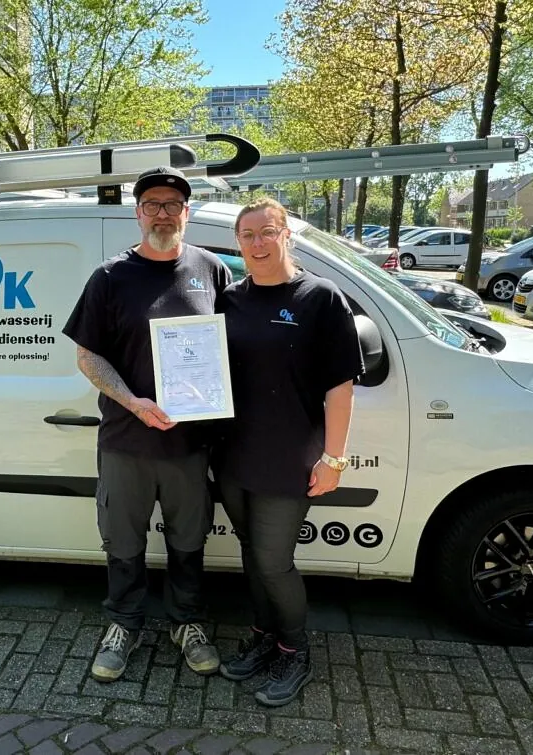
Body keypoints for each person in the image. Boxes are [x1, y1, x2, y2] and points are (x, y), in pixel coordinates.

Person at [62, 165, 233, 683]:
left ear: (187, 212)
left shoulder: (211, 269)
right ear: (138, 214)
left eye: (172, 204)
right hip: (127, 439)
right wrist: (133, 402)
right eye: (153, 205)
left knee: (189, 539)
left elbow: (229, 344)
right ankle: (124, 624)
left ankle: (187, 623)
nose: (163, 213)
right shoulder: (110, 277)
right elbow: (88, 356)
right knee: (123, 540)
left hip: (189, 443)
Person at [214, 197, 363, 707]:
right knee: (251, 553)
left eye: (267, 232)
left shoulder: (320, 298)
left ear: (286, 236)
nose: (257, 243)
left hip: (290, 456)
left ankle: (295, 651)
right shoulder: (230, 300)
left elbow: (340, 389)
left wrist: (334, 458)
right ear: (238, 243)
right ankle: (263, 636)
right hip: (233, 454)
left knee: (274, 561)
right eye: (247, 235)